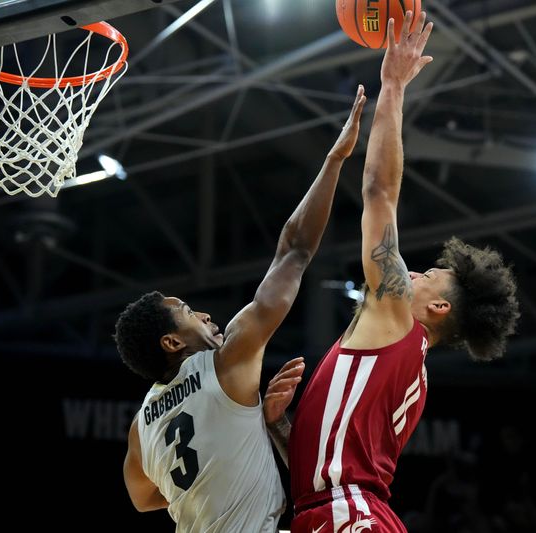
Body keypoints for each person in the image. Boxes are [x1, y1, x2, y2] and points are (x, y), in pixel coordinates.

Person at [284, 12, 520, 532]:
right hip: (348, 513)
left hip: (349, 517)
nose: (409, 272)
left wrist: (393, 86)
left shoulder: (396, 320)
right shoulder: (409, 365)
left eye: (427, 275)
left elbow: (379, 193)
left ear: (438, 308)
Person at [116, 85, 367, 533]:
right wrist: (334, 159)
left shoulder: (142, 427)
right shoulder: (226, 361)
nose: (206, 316)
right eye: (189, 311)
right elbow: (294, 250)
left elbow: (142, 498)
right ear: (172, 341)